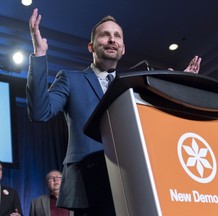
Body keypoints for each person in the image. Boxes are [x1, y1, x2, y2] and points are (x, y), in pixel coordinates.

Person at [27, 8, 201, 216]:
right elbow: (39, 112)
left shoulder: (134, 86)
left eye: (117, 36)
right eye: (105, 35)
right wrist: (39, 54)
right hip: (87, 184)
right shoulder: (70, 79)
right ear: (91, 46)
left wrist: (180, 86)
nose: (112, 40)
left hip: (133, 179)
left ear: (123, 49)